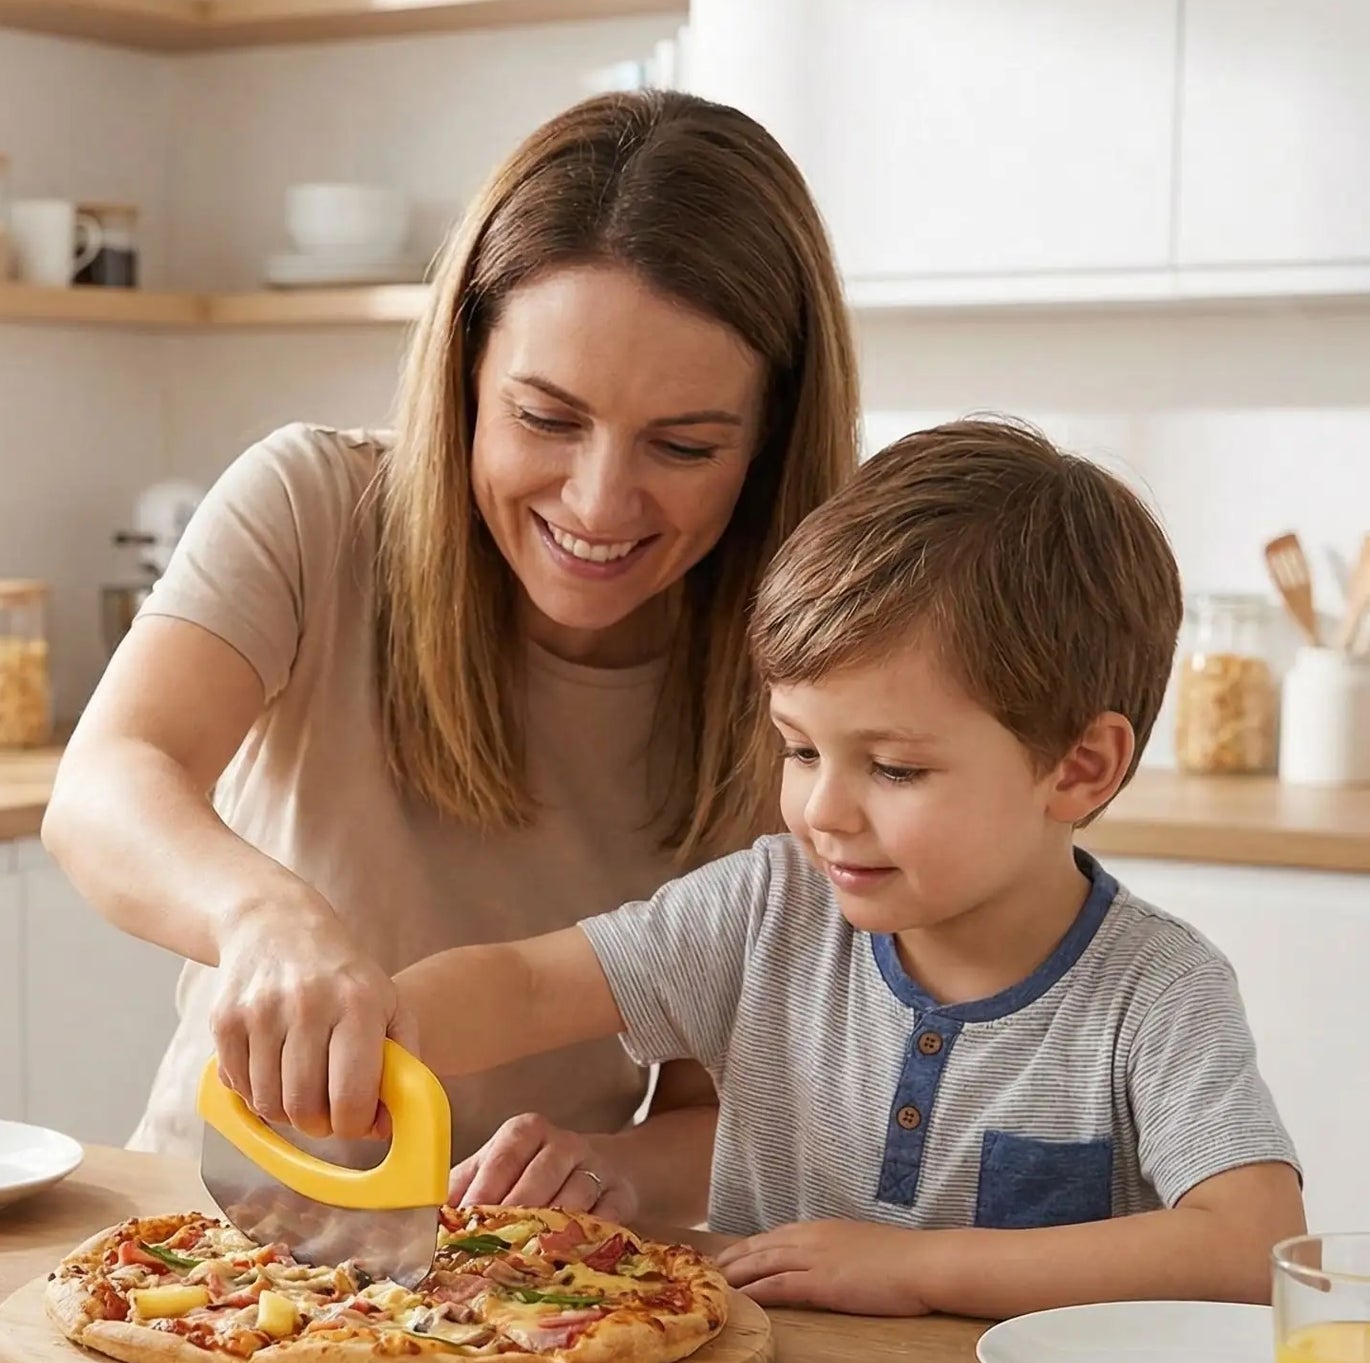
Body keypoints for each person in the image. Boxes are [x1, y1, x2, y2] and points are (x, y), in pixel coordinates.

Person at [43, 91, 858, 1216]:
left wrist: (610, 1164)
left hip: (516, 1276)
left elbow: (716, 1106)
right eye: (545, 418)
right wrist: (261, 916)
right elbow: (103, 783)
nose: (597, 500)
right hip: (201, 1231)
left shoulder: (804, 669)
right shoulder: (312, 504)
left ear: (766, 444)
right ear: (466, 370)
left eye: (680, 444)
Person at [393, 419, 1306, 1318]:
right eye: (799, 750)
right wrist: (372, 1026)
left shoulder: (1157, 990)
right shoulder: (768, 907)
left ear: (1079, 767)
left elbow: (1248, 1245)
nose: (823, 811)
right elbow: (524, 986)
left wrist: (919, 1269)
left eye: (894, 767)